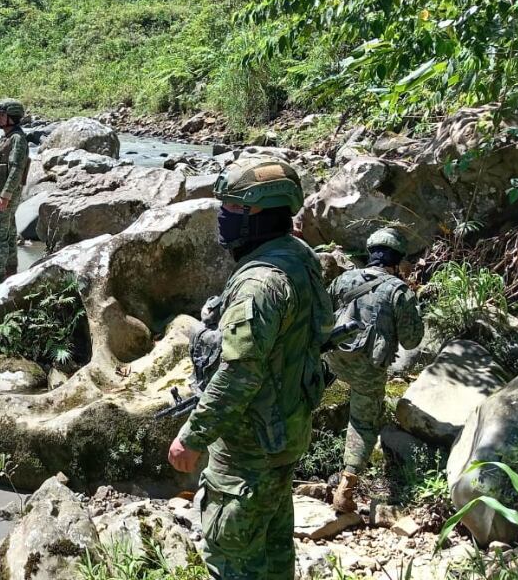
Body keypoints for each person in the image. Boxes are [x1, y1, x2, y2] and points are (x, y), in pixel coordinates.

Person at [168, 157, 333, 580]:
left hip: (248, 445)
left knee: (232, 558)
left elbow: (241, 372)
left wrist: (193, 436)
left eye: (234, 208)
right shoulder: (298, 256)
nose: (223, 216)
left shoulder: (259, 284)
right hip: (285, 432)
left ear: (260, 215)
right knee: (274, 547)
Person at [326, 227, 424, 513]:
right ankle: (346, 487)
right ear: (397, 260)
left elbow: (323, 314)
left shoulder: (344, 279)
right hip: (368, 366)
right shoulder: (399, 290)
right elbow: (412, 339)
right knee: (362, 421)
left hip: (334, 356)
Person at [0, 98, 29, 283]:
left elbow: (16, 169)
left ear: (11, 117)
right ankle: (11, 271)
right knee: (9, 231)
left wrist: (5, 195)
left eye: (2, 115)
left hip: (7, 193)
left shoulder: (17, 139)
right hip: (2, 190)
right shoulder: (7, 137)